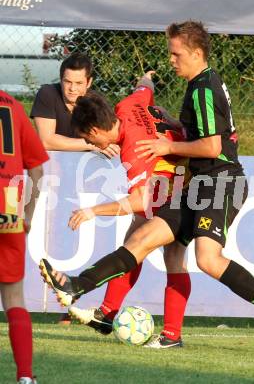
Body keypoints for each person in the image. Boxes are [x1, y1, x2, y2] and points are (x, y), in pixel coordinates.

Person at [39, 21, 254, 350]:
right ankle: (83, 289)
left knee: (206, 258)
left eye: (175, 54)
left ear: (195, 53)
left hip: (219, 180)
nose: (171, 59)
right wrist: (147, 78)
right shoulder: (138, 103)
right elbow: (143, 88)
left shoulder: (199, 92)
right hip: (193, 184)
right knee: (146, 239)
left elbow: (211, 148)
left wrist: (167, 147)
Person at [50, 71, 192, 348]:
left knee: (169, 255)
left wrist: (93, 211)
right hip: (171, 180)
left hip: (184, 186)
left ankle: (171, 334)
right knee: (135, 243)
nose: (92, 146)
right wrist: (148, 77)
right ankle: (108, 313)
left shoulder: (134, 152)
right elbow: (144, 88)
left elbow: (140, 201)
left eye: (89, 141)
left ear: (94, 130)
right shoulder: (127, 106)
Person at [31, 52, 119, 324]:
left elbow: (113, 136)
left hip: (90, 185)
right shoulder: (47, 95)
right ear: (61, 80)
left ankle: (88, 307)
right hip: (52, 183)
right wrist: (92, 144)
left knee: (98, 246)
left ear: (88, 82)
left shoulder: (96, 104)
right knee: (54, 244)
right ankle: (56, 307)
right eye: (67, 82)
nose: (72, 88)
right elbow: (46, 140)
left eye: (79, 83)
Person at [0, 90, 49, 384]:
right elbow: (38, 169)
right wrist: (28, 213)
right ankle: (26, 377)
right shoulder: (13, 105)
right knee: (14, 296)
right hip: (8, 203)